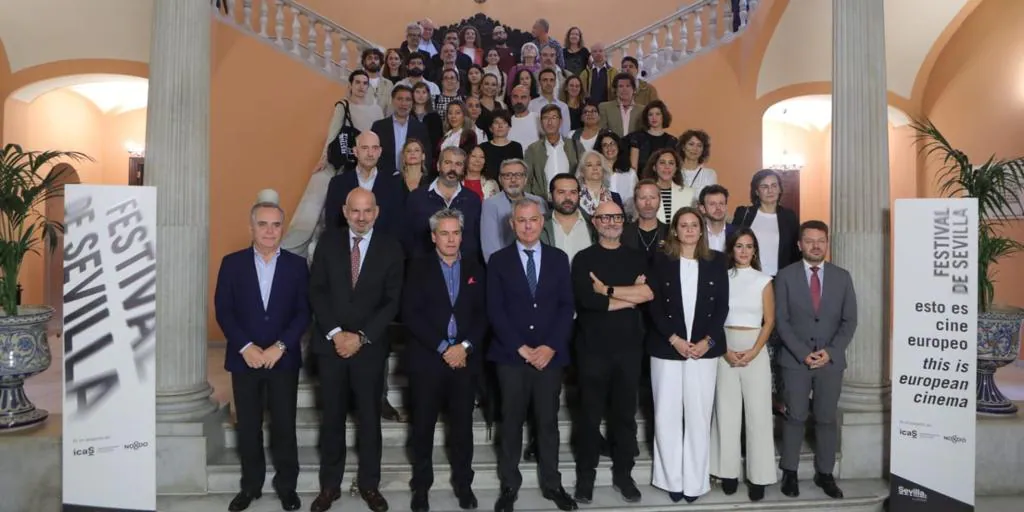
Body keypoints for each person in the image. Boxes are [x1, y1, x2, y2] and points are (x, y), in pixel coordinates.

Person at [308, 188, 404, 512]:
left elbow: (392, 301)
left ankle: (370, 485)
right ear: (345, 211)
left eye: (367, 211)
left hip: (369, 349)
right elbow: (317, 291)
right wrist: (336, 334)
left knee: (369, 420)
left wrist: (361, 337)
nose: (361, 217)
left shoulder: (391, 248)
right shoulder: (328, 243)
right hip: (330, 346)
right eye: (355, 211)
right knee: (332, 419)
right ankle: (330, 487)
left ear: (376, 212)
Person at [215, 193, 309, 512]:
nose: (270, 231)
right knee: (249, 426)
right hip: (245, 360)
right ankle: (250, 486)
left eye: (276, 225)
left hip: (283, 359)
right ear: (252, 227)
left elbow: (303, 312)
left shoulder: (297, 266)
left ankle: (287, 487)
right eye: (263, 225)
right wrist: (246, 347)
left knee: (284, 425)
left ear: (282, 228)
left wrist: (281, 346)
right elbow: (224, 311)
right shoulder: (232, 264)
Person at [488, 196, 578, 512]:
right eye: (521, 220)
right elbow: (494, 310)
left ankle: (553, 484)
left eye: (533, 219)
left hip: (549, 357)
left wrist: (550, 346)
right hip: (511, 357)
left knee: (547, 423)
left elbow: (567, 306)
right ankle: (509, 485)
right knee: (511, 422)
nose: (528, 225)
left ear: (542, 222)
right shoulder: (498, 261)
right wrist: (520, 347)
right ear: (512, 224)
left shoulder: (557, 258)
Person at [403, 209, 487, 512]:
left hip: (464, 361)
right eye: (444, 233)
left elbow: (483, 315)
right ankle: (421, 487)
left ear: (461, 236)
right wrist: (443, 347)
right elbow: (410, 314)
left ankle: (464, 485)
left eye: (455, 233)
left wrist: (463, 346)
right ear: (433, 236)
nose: (451, 239)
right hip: (428, 361)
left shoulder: (476, 267)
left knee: (462, 428)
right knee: (423, 428)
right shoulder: (417, 267)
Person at [570, 201, 652, 504]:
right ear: (595, 221)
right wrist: (629, 295)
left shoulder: (637, 257)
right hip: (592, 349)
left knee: (624, 417)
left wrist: (606, 290)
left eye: (616, 217)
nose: (611, 222)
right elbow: (586, 301)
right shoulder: (582, 259)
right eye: (605, 217)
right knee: (589, 418)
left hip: (629, 349)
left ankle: (623, 475)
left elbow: (647, 294)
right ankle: (586, 479)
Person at [646, 207, 729, 503]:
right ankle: (671, 479)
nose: (690, 230)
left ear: (702, 230)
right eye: (684, 225)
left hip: (704, 351)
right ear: (675, 231)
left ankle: (695, 482)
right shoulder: (660, 260)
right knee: (666, 414)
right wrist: (674, 339)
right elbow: (653, 305)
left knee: (698, 415)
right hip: (666, 349)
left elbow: (722, 306)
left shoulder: (717, 261)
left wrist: (708, 340)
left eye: (695, 225)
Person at [774, 220, 857, 501]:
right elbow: (781, 322)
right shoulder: (784, 277)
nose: (816, 245)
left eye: (821, 240)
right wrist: (802, 352)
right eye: (809, 240)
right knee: (795, 416)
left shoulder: (842, 277)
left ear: (827, 242)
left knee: (825, 418)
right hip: (795, 360)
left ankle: (825, 473)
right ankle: (790, 472)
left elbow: (850, 321)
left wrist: (830, 352)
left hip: (830, 362)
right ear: (799, 245)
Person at [709, 228, 777, 502]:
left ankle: (759, 477)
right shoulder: (721, 278)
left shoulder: (764, 280)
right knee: (726, 411)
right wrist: (725, 350)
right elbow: (714, 316)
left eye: (749, 246)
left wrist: (754, 351)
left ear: (755, 251)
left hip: (754, 347)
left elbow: (769, 321)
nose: (744, 251)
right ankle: (727, 473)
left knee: (759, 413)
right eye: (739, 246)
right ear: (731, 249)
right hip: (725, 346)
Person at [403, 146, 482, 259]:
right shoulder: (417, 197)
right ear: (438, 166)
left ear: (463, 168)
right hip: (424, 270)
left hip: (463, 270)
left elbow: (475, 240)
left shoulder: (472, 200)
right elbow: (407, 238)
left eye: (458, 164)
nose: (452, 168)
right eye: (448, 162)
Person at [322, 131, 404, 238]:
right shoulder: (338, 183)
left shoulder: (394, 184)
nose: (370, 153)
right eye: (365, 148)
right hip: (346, 248)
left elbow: (396, 224)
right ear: (355, 151)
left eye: (374, 148)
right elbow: (332, 224)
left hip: (382, 249)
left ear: (380, 152)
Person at [731, 169, 800, 277]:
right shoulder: (744, 213)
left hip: (779, 279)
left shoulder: (789, 217)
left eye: (774, 186)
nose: (770, 190)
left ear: (780, 189)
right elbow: (732, 244)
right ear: (757, 191)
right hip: (749, 277)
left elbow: (795, 251)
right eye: (764, 187)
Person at [481, 158, 547, 262]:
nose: (513, 180)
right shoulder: (490, 205)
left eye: (518, 175)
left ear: (525, 179)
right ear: (500, 179)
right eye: (508, 175)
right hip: (506, 267)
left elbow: (545, 240)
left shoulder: (539, 202)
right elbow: (490, 248)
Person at [371, 85, 431, 175]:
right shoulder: (379, 127)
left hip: (413, 179)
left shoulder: (420, 128)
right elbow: (373, 154)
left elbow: (427, 156)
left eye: (408, 99)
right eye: (399, 99)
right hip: (384, 178)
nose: (403, 103)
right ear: (392, 100)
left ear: (412, 103)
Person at [525, 104, 581, 199]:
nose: (550, 122)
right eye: (545, 118)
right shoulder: (532, 149)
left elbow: (583, 174)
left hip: (569, 201)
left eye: (554, 117)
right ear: (541, 122)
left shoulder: (575, 146)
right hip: (542, 202)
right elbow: (527, 179)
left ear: (561, 121)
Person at [641, 148, 695, 225]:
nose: (667, 166)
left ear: (676, 168)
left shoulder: (689, 193)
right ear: (654, 167)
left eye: (671, 163)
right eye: (662, 163)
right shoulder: (643, 192)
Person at [621, 179, 668, 261]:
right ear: (635, 202)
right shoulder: (623, 233)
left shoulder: (669, 233)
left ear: (660, 201)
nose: (648, 203)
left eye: (652, 198)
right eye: (643, 198)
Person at [596, 130, 638, 217]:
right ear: (600, 150)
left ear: (618, 146)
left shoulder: (630, 173)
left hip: (626, 218)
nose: (609, 147)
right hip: (601, 216)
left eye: (612, 144)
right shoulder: (596, 171)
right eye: (605, 145)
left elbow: (636, 199)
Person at [628, 100, 678, 172]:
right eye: (650, 114)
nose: (654, 118)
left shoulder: (672, 141)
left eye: (658, 114)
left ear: (663, 116)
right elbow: (633, 169)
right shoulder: (638, 138)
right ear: (646, 118)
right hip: (642, 181)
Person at [478, 110, 524, 181]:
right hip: (488, 187)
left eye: (504, 122)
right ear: (490, 128)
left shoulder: (516, 147)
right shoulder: (482, 147)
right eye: (496, 123)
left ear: (509, 127)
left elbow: (520, 171)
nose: (500, 126)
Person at [575, 150, 623, 216]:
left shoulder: (615, 197)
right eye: (589, 165)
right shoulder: (575, 197)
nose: (595, 168)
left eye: (598, 164)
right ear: (582, 172)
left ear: (603, 170)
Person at [677, 130, 719, 201]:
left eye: (699, 145)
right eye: (691, 144)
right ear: (683, 147)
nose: (695, 149)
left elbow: (711, 201)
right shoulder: (673, 172)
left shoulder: (710, 174)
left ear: (703, 150)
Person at [598, 73, 643, 137]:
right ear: (615, 90)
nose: (624, 89)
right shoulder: (604, 107)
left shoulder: (642, 110)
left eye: (628, 86)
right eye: (620, 86)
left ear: (634, 90)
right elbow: (602, 132)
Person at [698, 184, 735, 252]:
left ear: (726, 206)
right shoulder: (696, 234)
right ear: (702, 208)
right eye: (712, 204)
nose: (718, 208)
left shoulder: (736, 233)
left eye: (721, 203)